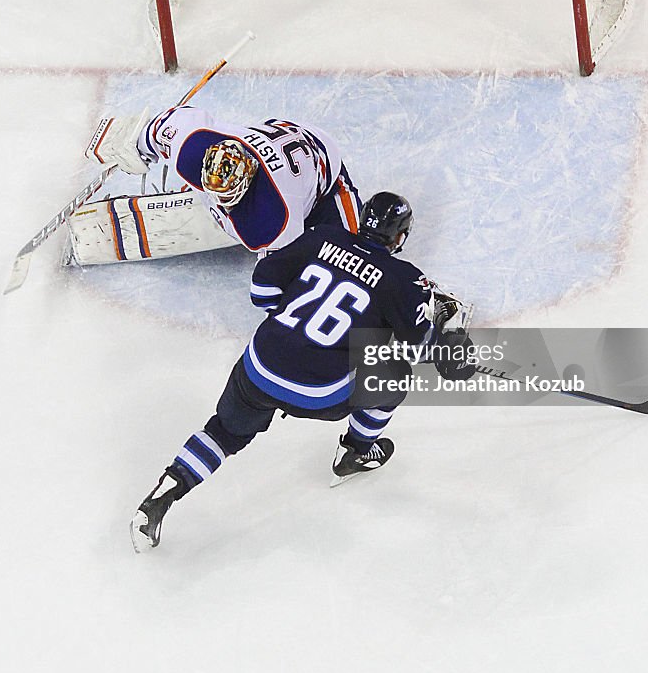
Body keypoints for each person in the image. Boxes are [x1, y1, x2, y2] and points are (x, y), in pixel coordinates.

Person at [129, 191, 475, 552]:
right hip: (320, 393)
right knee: (396, 375)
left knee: (224, 432)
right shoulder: (405, 279)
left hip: (259, 367)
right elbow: (416, 348)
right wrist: (452, 346)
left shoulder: (323, 236)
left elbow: (261, 289)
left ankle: (163, 494)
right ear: (400, 237)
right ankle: (355, 452)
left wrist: (293, 324)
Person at [83, 105, 361, 258]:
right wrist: (139, 142)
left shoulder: (273, 219)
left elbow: (278, 277)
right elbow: (167, 125)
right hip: (279, 135)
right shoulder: (193, 147)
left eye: (228, 195)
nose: (219, 201)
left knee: (353, 255)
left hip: (325, 176)